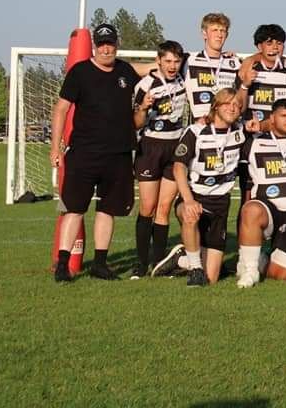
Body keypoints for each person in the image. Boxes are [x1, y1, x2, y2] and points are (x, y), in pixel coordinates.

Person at [50, 23, 141, 282]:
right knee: (74, 209)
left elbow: (145, 71)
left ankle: (100, 264)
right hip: (84, 154)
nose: (106, 48)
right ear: (94, 46)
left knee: (108, 210)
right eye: (101, 44)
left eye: (110, 43)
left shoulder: (125, 70)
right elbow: (60, 109)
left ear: (116, 44)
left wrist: (170, 62)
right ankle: (63, 264)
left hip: (119, 155)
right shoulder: (79, 72)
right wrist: (55, 147)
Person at [235, 99, 286, 287]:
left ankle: (262, 261)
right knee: (251, 209)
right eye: (283, 116)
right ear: (272, 119)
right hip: (269, 210)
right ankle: (251, 270)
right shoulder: (253, 143)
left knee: (281, 276)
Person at [171, 88, 245, 286]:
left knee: (211, 279)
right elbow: (178, 167)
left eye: (237, 105)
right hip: (195, 196)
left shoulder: (241, 132)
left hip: (221, 202)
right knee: (190, 214)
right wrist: (188, 200)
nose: (232, 108)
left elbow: (266, 125)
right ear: (216, 106)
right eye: (227, 103)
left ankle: (179, 258)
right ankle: (194, 269)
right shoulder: (196, 131)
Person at [130, 40, 187, 279]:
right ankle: (141, 263)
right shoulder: (146, 84)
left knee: (164, 209)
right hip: (150, 147)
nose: (173, 66)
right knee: (148, 208)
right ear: (158, 61)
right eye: (168, 61)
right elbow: (135, 123)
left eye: (176, 61)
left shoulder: (184, 77)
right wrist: (143, 107)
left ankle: (159, 264)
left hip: (175, 147)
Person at [238, 24, 286, 124]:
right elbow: (238, 108)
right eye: (269, 43)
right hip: (254, 136)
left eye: (279, 43)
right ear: (259, 47)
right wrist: (244, 85)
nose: (275, 47)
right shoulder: (247, 69)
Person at [182, 13, 241, 122]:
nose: (219, 35)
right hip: (200, 128)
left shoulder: (235, 63)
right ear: (204, 34)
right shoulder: (188, 60)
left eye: (222, 31)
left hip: (226, 128)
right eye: (215, 30)